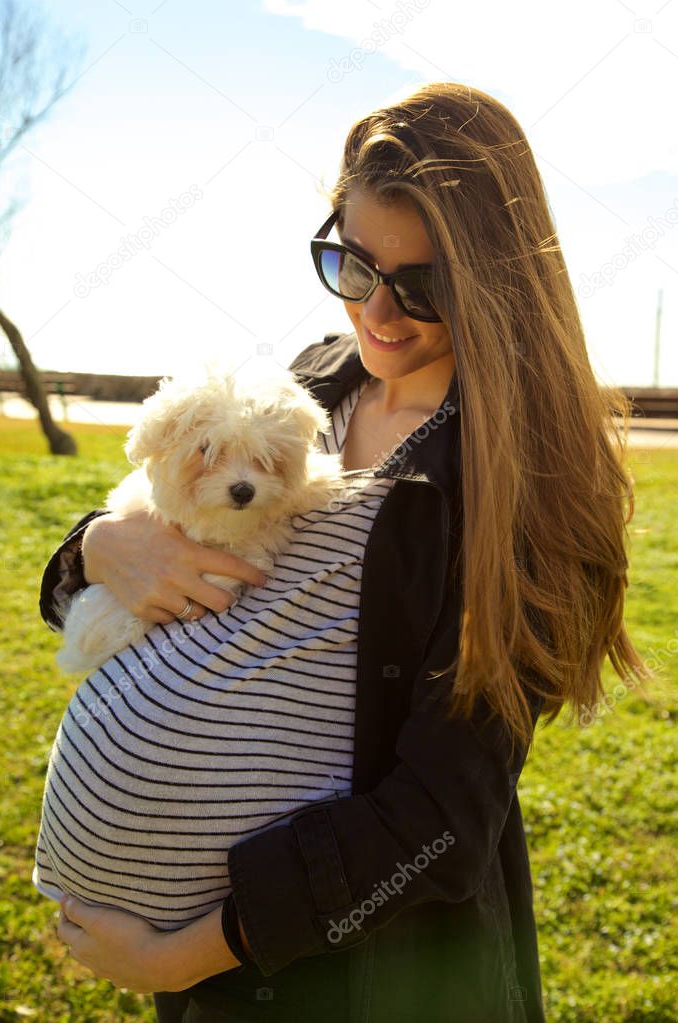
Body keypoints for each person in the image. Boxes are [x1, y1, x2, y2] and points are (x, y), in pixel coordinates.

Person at [40, 81, 650, 1023]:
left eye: (425, 287)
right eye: (353, 266)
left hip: (377, 981)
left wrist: (188, 953)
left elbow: (444, 816)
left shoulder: (525, 482)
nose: (380, 314)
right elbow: (161, 525)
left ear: (495, 281)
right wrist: (100, 547)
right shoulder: (314, 380)